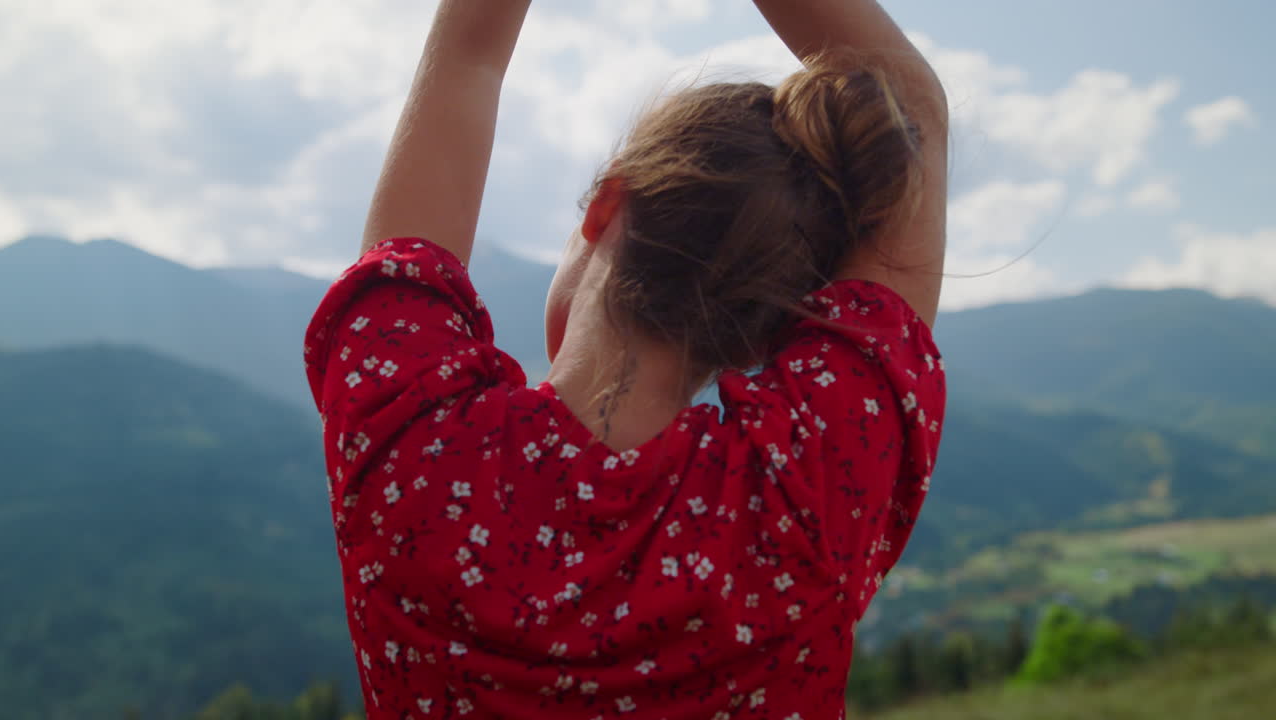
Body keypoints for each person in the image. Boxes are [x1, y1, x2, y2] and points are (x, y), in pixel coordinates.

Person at [303, 1, 948, 717]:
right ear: (771, 328)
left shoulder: (408, 440)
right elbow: (911, 104)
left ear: (606, 204)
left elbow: (466, 58)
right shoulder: (808, 491)